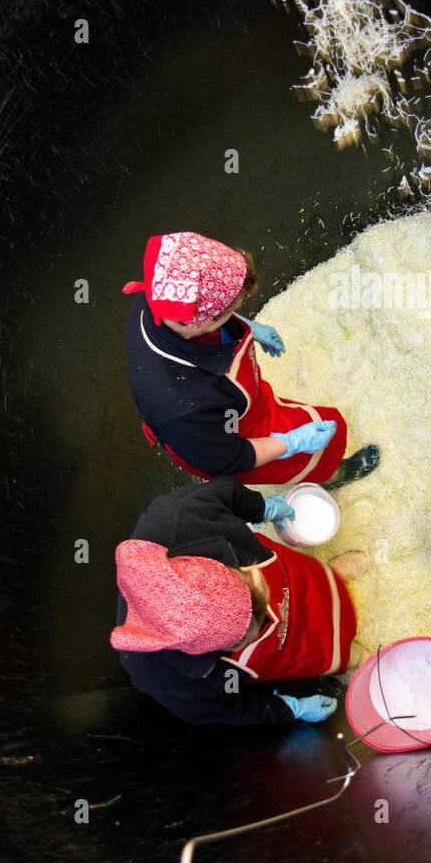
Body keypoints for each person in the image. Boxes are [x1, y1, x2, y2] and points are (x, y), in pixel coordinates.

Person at [123, 231, 379, 489]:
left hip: (246, 408)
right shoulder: (185, 410)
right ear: (199, 322)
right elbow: (233, 458)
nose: (236, 314)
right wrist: (292, 443)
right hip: (229, 439)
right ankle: (335, 475)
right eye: (231, 312)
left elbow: (208, 311)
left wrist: (250, 327)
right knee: (315, 452)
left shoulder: (162, 293)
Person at [111, 476, 369, 726]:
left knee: (307, 577)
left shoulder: (179, 516)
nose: (274, 618)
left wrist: (262, 508)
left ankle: (331, 575)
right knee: (350, 658)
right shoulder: (163, 678)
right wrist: (287, 709)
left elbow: (227, 492)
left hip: (289, 575)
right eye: (247, 637)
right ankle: (353, 658)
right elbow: (227, 709)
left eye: (251, 583)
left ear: (219, 566)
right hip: (283, 654)